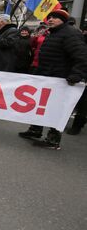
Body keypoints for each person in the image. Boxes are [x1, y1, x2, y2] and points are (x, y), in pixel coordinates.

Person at [19, 9, 87, 149]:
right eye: (50, 17)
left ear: (64, 20)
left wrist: (76, 75)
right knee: (40, 105)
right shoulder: (53, 33)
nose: (50, 20)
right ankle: (35, 130)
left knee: (56, 109)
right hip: (47, 77)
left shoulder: (70, 34)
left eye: (55, 18)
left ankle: (53, 139)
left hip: (61, 79)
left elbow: (82, 57)